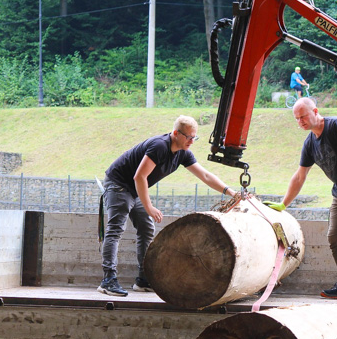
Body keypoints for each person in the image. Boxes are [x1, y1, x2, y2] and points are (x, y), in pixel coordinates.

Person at [98, 115, 240, 297]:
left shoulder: (183, 153)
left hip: (134, 188)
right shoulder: (159, 146)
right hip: (119, 183)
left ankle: (143, 279)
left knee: (146, 227)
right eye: (188, 137)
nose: (191, 141)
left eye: (194, 137)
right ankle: (108, 280)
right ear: (175, 133)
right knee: (116, 229)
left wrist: (231, 192)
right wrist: (149, 207)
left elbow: (205, 176)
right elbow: (139, 176)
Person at [265, 97, 337, 301]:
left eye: (303, 116)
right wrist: (284, 204)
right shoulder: (309, 143)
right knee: (334, 236)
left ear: (315, 111)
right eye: (297, 119)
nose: (301, 122)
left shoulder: (336, 125)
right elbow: (300, 176)